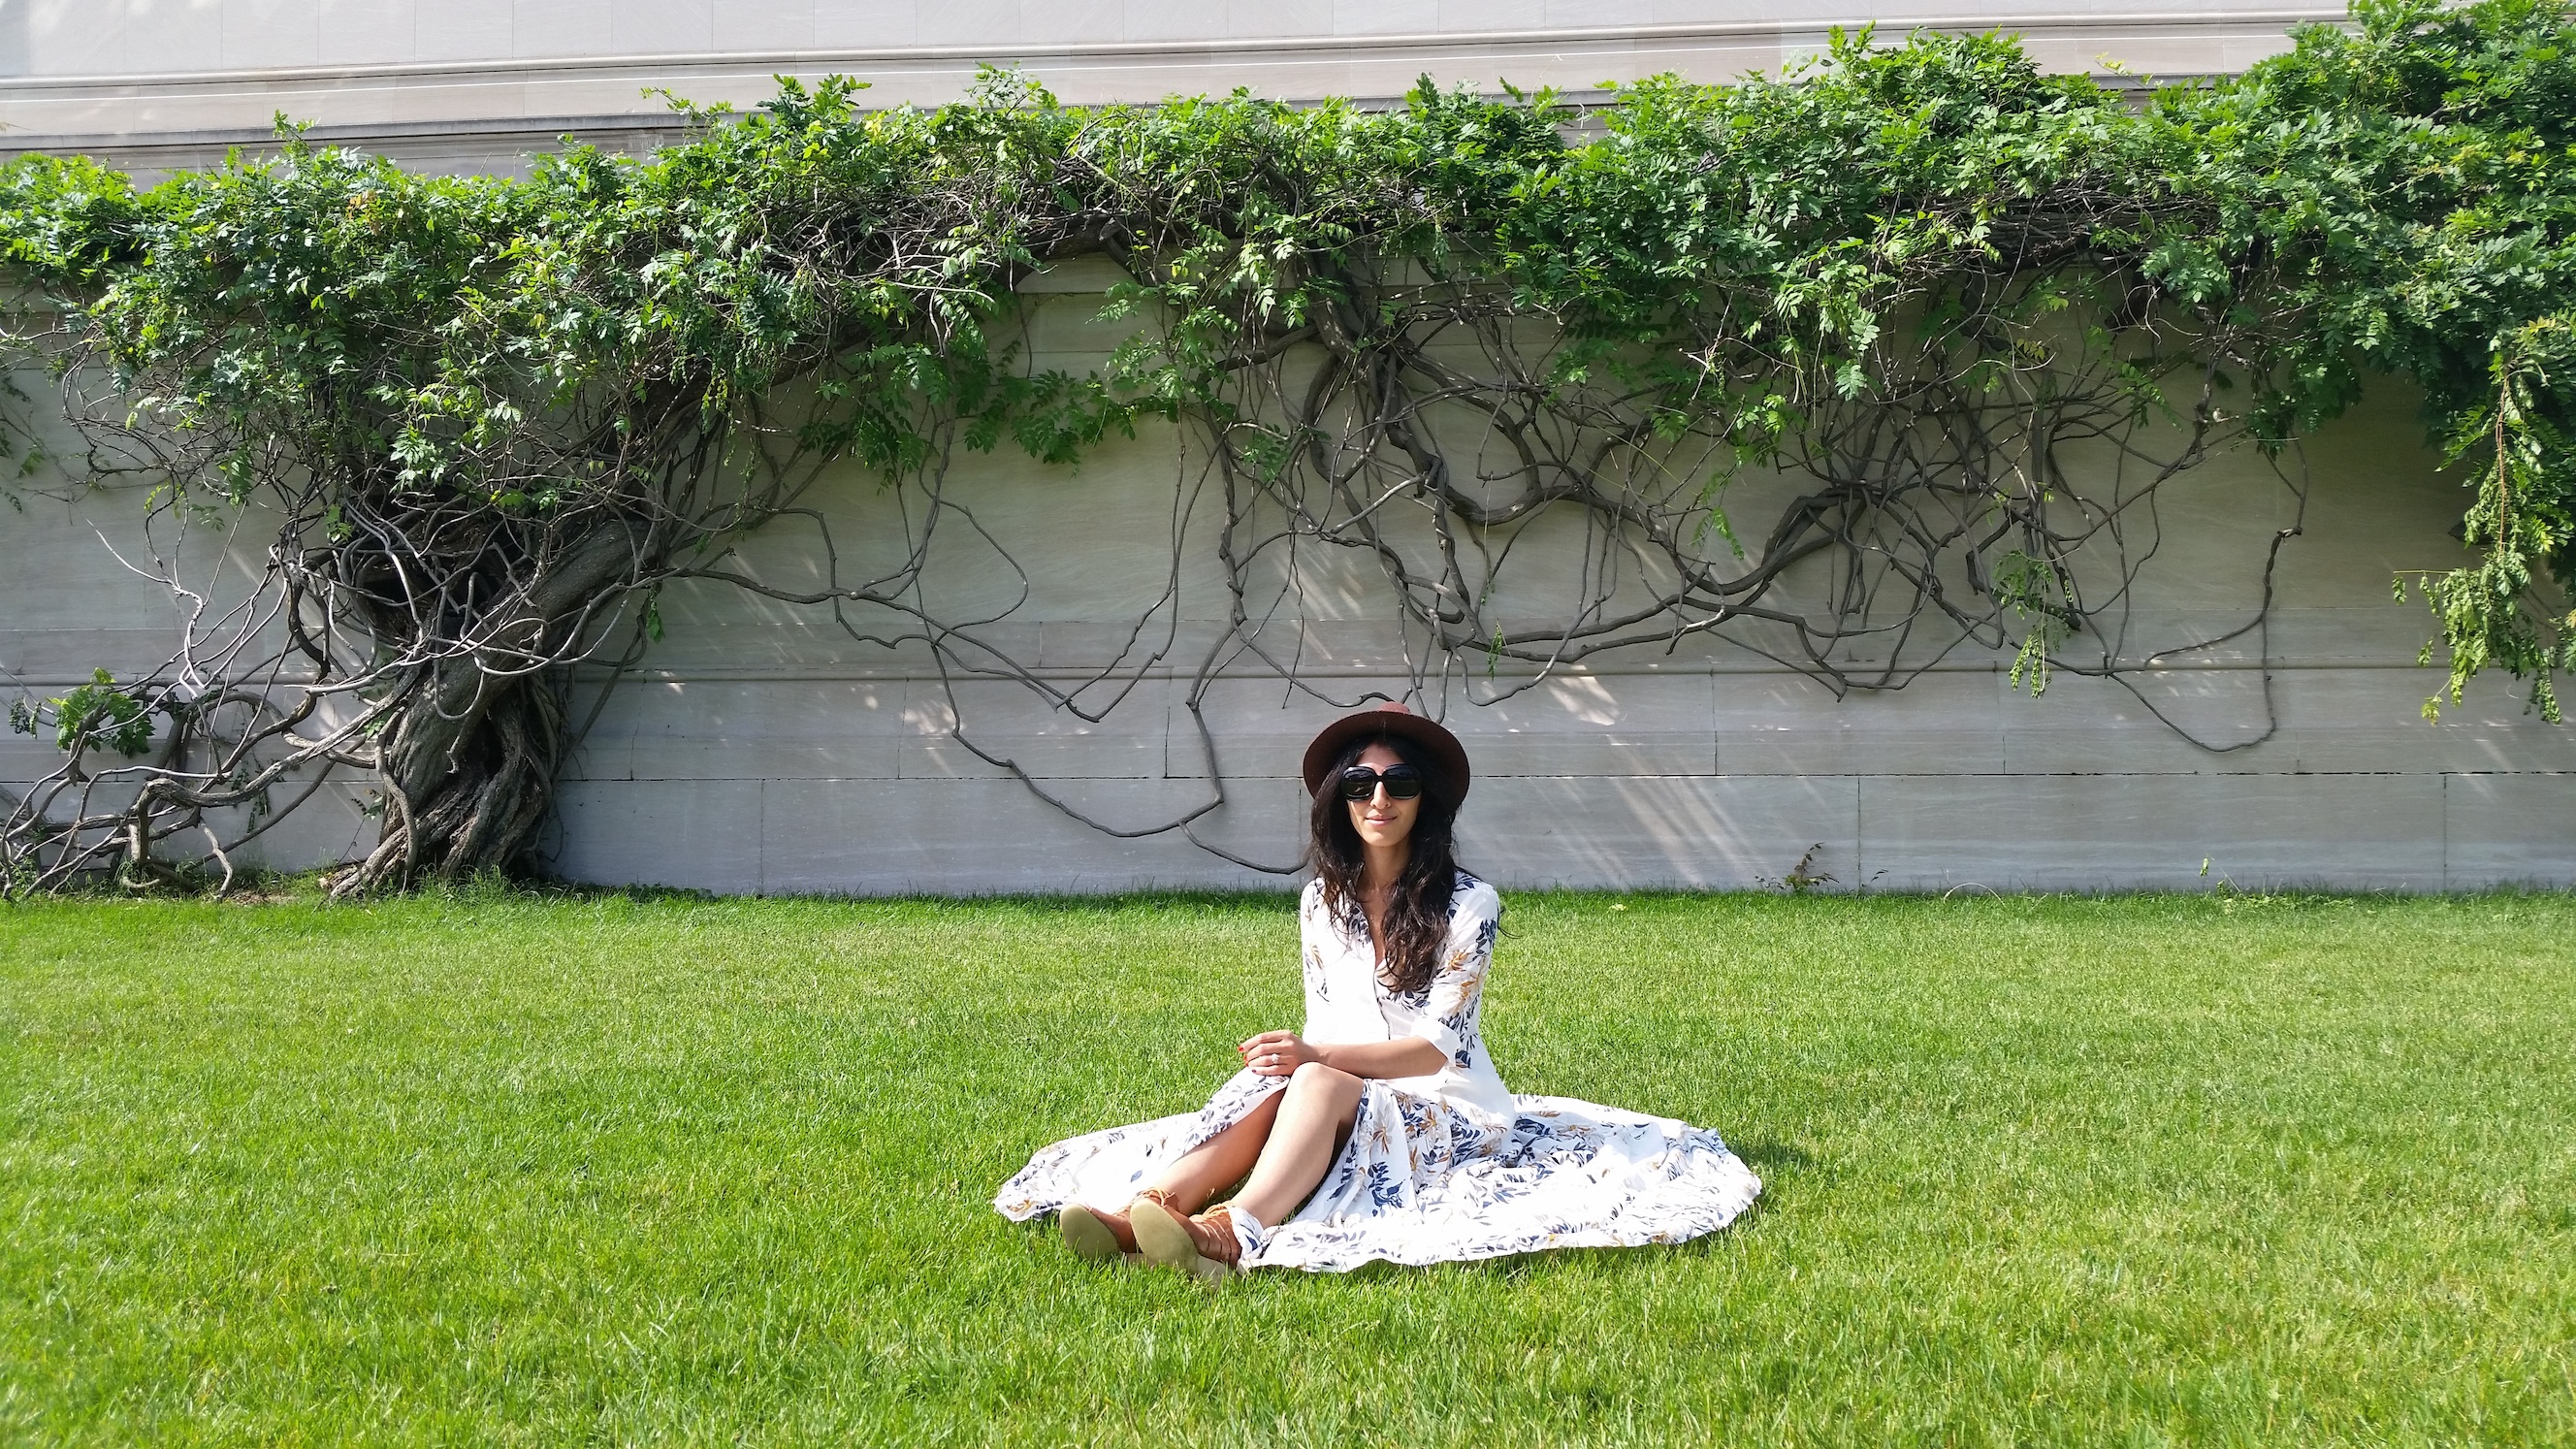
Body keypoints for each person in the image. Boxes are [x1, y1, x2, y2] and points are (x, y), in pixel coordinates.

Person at [994, 701, 1761, 1277]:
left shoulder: (1469, 906)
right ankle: (1148, 1212)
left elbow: (1436, 1051)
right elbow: (1321, 1023)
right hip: (1343, 1087)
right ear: (1340, 797)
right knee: (1280, 1078)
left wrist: (1316, 1059)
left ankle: (1233, 1236)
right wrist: (1301, 1060)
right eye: (1361, 783)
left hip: (1457, 1109)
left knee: (1315, 1071)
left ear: (1426, 800)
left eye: (1400, 783)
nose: (1379, 799)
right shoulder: (1318, 902)